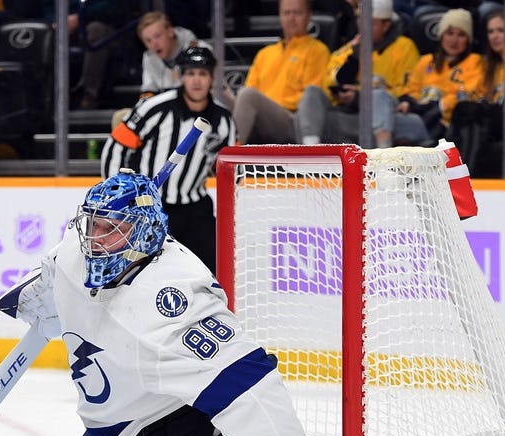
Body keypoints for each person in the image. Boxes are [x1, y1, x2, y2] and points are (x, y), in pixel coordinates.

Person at [0, 169, 391, 436]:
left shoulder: (173, 299)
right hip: (118, 423)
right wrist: (37, 293)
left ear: (143, 234)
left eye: (111, 229)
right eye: (92, 225)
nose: (95, 240)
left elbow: (241, 378)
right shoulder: (74, 253)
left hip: (181, 426)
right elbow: (55, 268)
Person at [100, 46, 233, 273]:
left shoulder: (224, 121)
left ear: (211, 77)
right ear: (181, 76)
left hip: (194, 210)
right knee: (136, 272)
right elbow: (117, 147)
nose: (196, 80)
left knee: (213, 271)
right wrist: (116, 195)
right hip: (148, 206)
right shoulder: (155, 108)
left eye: (202, 73)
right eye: (190, 73)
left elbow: (226, 170)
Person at [296, 0, 420, 147]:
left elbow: (408, 91)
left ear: (386, 25)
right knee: (311, 94)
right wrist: (354, 57)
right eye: (361, 20)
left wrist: (360, 97)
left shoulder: (404, 48)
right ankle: (311, 151)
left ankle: (384, 154)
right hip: (349, 116)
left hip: (385, 118)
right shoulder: (348, 49)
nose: (363, 27)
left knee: (379, 96)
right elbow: (329, 84)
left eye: (371, 23)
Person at [231, 0, 330, 144]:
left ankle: (228, 154)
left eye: (297, 13)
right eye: (286, 13)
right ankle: (206, 150)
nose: (291, 18)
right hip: (261, 116)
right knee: (219, 94)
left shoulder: (317, 51)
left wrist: (269, 103)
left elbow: (312, 99)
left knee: (248, 95)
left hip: (293, 119)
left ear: (309, 16)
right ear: (280, 16)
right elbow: (250, 91)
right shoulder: (265, 54)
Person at [392, 8, 484, 146]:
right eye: (450, 33)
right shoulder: (426, 61)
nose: (454, 40)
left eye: (461, 35)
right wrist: (408, 102)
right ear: (441, 36)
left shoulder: (475, 62)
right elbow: (412, 90)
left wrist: (440, 107)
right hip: (419, 117)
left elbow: (469, 94)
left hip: (446, 125)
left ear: (468, 40)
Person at [451, 8, 505, 176]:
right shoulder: (487, 66)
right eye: (491, 32)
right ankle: (463, 174)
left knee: (471, 113)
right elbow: (477, 95)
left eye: (500, 31)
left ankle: (463, 176)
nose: (495, 36)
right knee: (466, 112)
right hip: (490, 118)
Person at [136, 10, 201, 97]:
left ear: (170, 31)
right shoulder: (149, 58)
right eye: (148, 40)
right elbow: (148, 89)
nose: (154, 44)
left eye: (157, 36)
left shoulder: (198, 50)